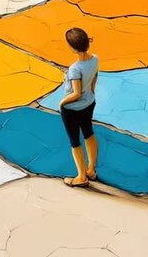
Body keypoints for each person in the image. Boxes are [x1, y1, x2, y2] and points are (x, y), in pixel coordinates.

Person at [58, 27, 98, 187]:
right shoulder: (95, 59)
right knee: (89, 133)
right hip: (89, 103)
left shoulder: (75, 68)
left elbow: (76, 93)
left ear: (73, 48)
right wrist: (92, 91)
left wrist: (62, 103)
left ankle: (81, 177)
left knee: (75, 141)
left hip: (72, 109)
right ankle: (91, 170)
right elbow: (95, 76)